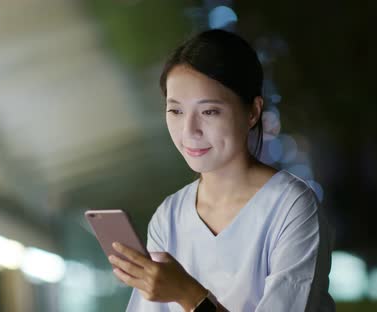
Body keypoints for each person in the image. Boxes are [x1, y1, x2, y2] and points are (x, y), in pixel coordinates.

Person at [108, 29, 336, 312]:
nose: (189, 130)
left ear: (252, 112)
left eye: (209, 111)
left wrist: (189, 295)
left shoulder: (291, 208)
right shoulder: (168, 218)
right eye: (176, 111)